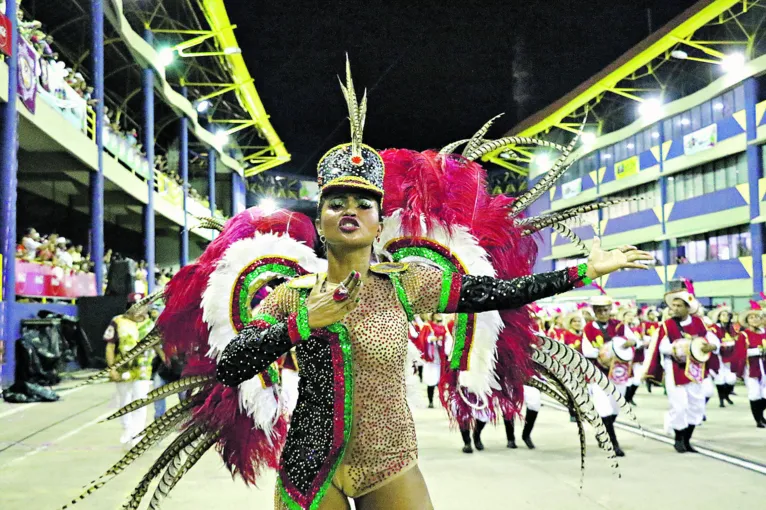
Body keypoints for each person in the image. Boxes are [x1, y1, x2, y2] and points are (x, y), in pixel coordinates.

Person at [69, 62, 652, 510]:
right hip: (308, 463)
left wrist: (584, 272)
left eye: (363, 203)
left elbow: (491, 294)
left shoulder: (405, 284)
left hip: (389, 458)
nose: (350, 209)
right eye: (336, 202)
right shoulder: (293, 293)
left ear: (379, 221)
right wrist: (301, 325)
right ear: (320, 218)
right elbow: (230, 366)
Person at [644, 282, 720, 453]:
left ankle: (687, 439)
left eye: (679, 306)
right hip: (675, 368)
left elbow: (713, 340)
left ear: (688, 307)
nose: (675, 309)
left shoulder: (699, 323)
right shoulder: (667, 325)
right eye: (674, 306)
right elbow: (662, 346)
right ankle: (678, 440)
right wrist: (679, 348)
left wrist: (710, 346)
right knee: (679, 406)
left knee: (697, 405)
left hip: (696, 369)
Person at [582, 295, 637, 457]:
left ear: (610, 310)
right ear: (594, 311)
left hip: (619, 372)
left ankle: (602, 431)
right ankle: (613, 443)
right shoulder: (589, 328)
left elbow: (635, 340)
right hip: (599, 373)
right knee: (604, 407)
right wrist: (606, 352)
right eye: (599, 310)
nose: (602, 313)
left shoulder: (620, 326)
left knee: (614, 408)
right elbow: (587, 350)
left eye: (605, 310)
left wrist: (630, 343)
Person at [104, 299, 160, 448]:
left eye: (142, 308)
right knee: (125, 401)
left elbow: (157, 345)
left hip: (143, 370)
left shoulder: (150, 324)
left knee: (141, 401)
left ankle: (137, 433)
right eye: (136, 308)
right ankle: (127, 428)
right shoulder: (117, 322)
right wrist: (112, 369)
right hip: (123, 369)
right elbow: (110, 347)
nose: (140, 311)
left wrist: (167, 359)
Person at [733, 305, 766, 428]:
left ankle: (761, 415)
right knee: (755, 394)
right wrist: (757, 352)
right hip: (751, 368)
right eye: (751, 318)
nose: (754, 320)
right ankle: (758, 420)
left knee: (764, 395)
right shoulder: (744, 335)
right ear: (747, 321)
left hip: (764, 366)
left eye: (757, 317)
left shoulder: (764, 333)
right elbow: (740, 353)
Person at [708, 305, 738, 407]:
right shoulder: (714, 328)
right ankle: (721, 400)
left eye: (727, 315)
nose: (726, 317)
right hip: (719, 356)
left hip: (730, 355)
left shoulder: (731, 328)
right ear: (719, 316)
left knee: (731, 378)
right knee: (720, 377)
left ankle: (726, 395)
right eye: (723, 315)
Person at [617, 306, 642, 406]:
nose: (631, 317)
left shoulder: (633, 328)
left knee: (636, 379)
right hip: (625, 356)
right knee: (628, 379)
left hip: (636, 355)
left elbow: (637, 341)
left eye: (632, 315)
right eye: (628, 315)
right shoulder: (621, 327)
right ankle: (625, 399)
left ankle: (629, 398)